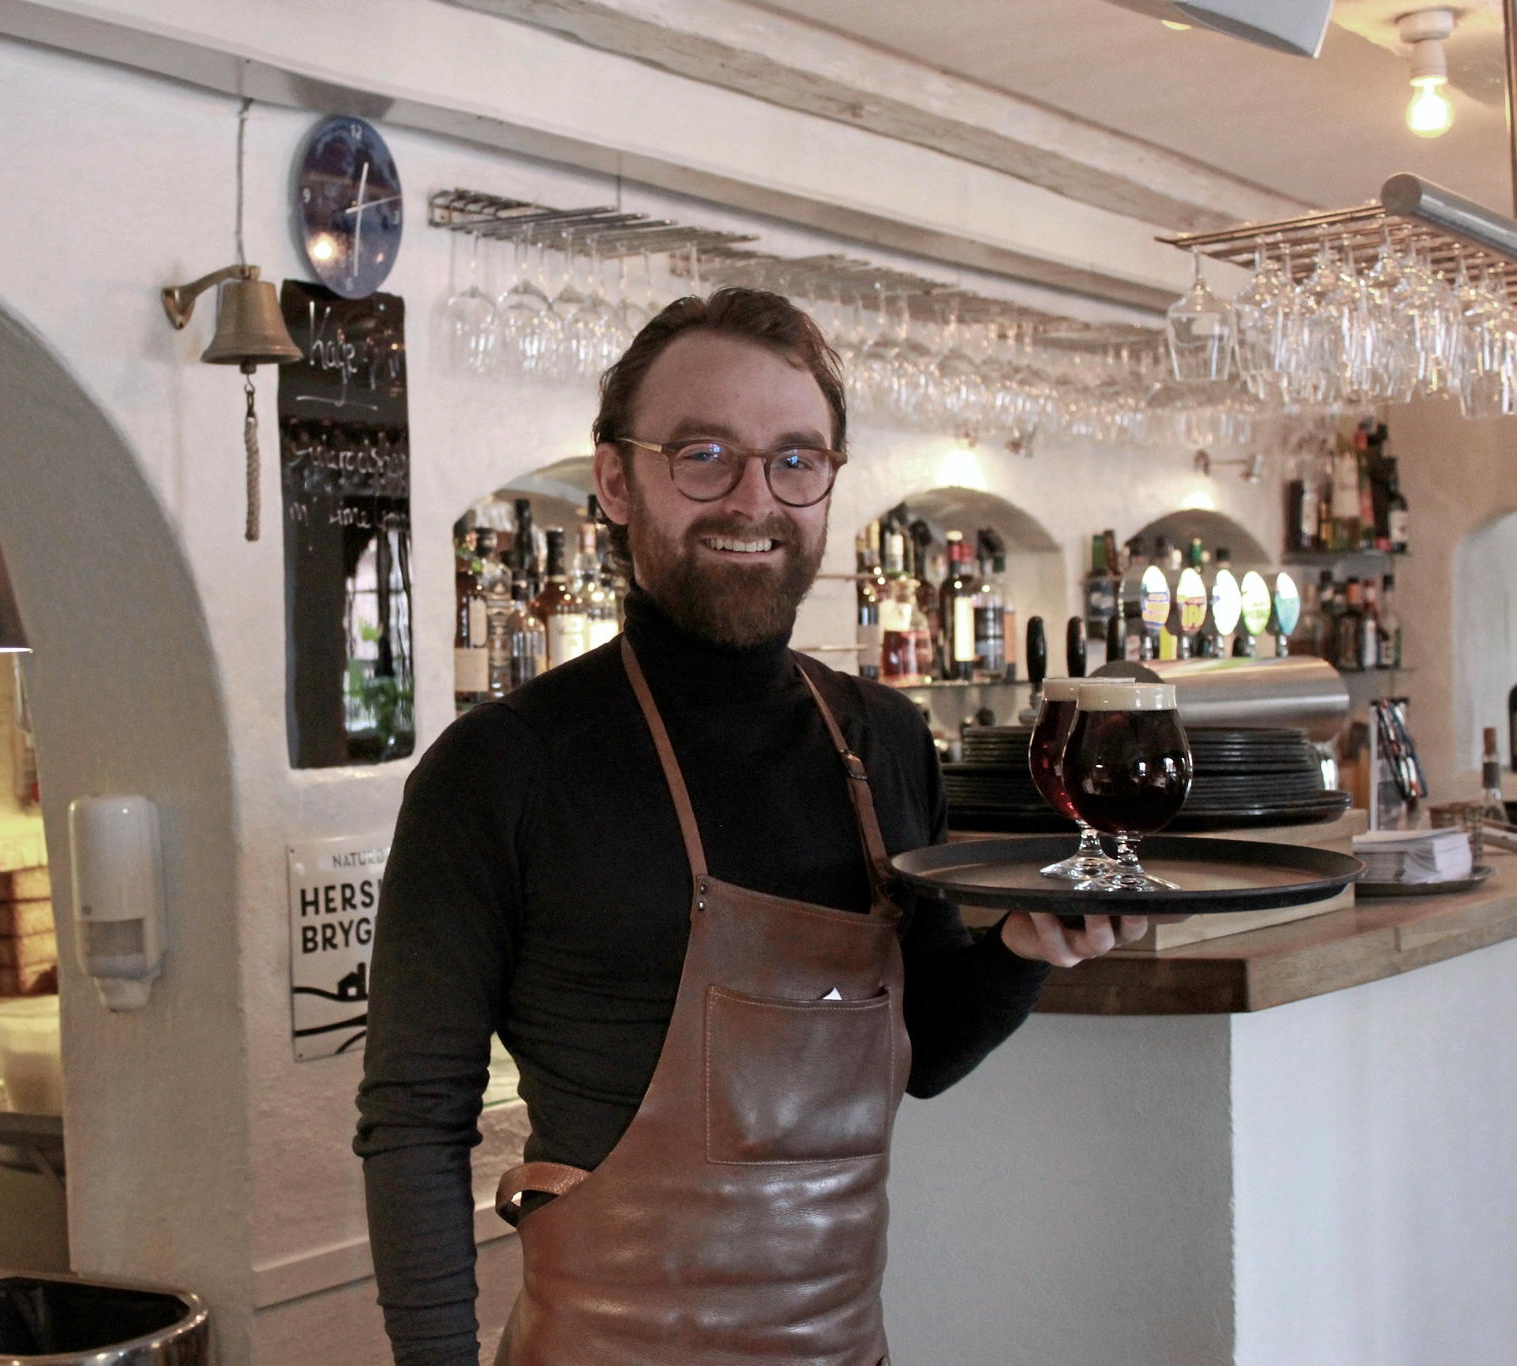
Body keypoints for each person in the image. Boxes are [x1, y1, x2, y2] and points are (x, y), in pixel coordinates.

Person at [356, 288, 1157, 1366]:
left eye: (794, 460)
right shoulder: (501, 768)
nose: (753, 498)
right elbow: (414, 1118)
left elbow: (921, 1056)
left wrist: (1023, 948)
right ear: (615, 481)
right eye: (703, 456)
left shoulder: (883, 740)